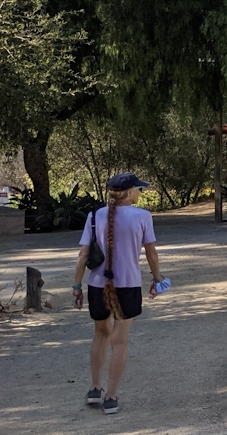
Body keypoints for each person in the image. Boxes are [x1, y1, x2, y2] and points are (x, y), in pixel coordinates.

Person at [71, 172, 165, 414]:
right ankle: (111, 397)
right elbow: (151, 254)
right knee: (119, 341)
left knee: (100, 335)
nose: (139, 194)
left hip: (97, 286)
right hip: (128, 285)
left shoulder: (94, 216)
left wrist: (76, 286)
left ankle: (94, 388)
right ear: (129, 192)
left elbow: (83, 255)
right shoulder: (143, 217)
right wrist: (157, 279)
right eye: (138, 190)